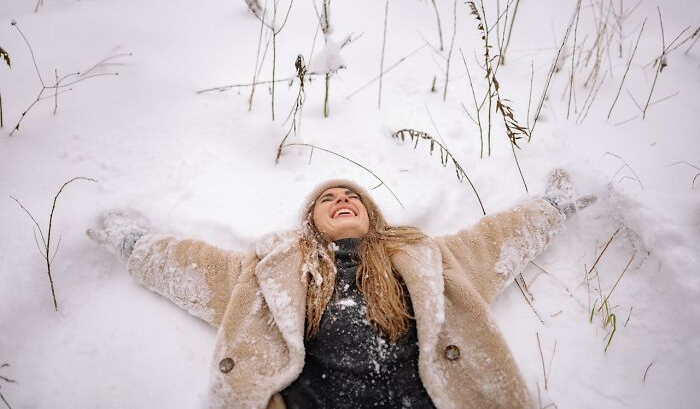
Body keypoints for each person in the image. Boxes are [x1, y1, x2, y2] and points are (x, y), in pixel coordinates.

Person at [87, 170, 595, 409]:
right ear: (313, 221)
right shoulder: (276, 270)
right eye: (327, 198)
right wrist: (131, 242)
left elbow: (495, 241)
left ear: (370, 214)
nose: (342, 198)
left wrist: (555, 205)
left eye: (352, 195)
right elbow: (196, 269)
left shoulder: (425, 258)